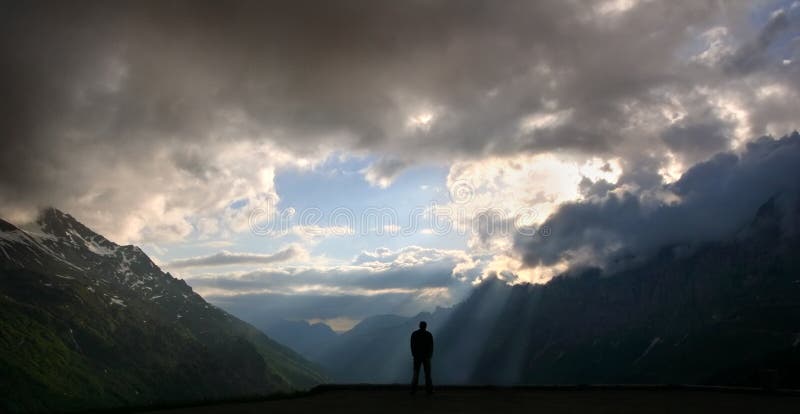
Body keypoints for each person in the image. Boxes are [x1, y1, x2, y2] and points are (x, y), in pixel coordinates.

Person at [410, 320, 434, 395]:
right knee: (427, 374)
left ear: (419, 326)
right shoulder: (429, 334)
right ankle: (429, 390)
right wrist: (430, 355)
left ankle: (413, 390)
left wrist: (414, 354)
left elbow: (412, 345)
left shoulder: (414, 334)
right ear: (426, 326)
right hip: (426, 357)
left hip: (417, 356)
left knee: (416, 373)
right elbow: (431, 346)